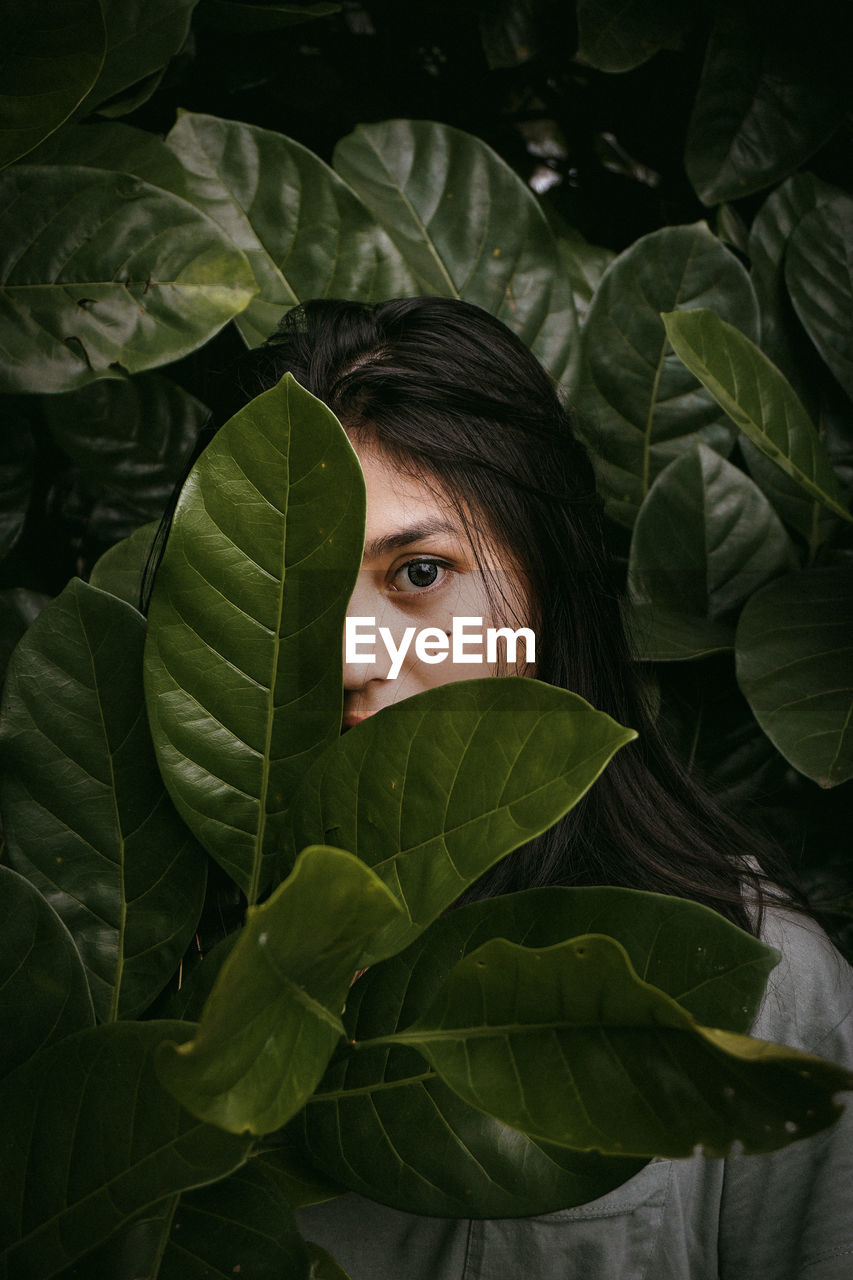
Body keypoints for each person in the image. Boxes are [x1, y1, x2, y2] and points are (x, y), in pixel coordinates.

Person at [235, 296, 853, 1278]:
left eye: (420, 571)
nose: (352, 654)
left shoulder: (749, 979)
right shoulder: (168, 974)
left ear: (543, 593)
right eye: (301, 591)